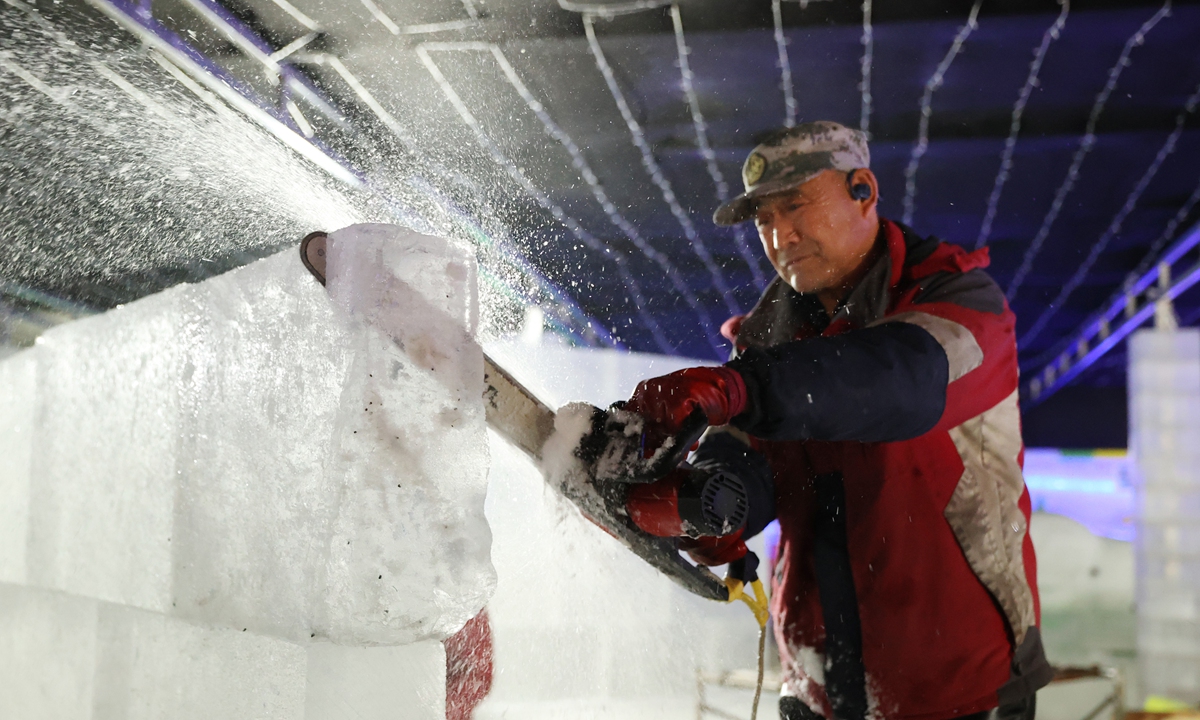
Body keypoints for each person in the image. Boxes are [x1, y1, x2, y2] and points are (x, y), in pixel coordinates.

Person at [624, 121, 1053, 720]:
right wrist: (708, 505)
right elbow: (751, 462)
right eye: (764, 221)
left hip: (960, 687)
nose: (781, 235)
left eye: (796, 206)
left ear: (864, 191)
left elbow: (895, 383)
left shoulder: (962, 305)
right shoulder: (767, 344)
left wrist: (741, 386)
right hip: (816, 686)